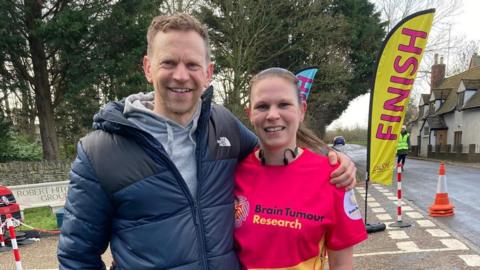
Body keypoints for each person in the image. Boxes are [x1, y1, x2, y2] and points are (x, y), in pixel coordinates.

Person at [57, 14, 357, 270]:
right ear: (148, 67)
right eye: (169, 63)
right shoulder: (99, 151)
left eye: (192, 64)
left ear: (208, 72)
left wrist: (331, 157)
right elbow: (76, 257)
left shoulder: (222, 124)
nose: (180, 75)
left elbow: (275, 143)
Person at [234, 68, 367, 270]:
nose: (272, 115)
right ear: (250, 114)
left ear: (301, 110)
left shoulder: (334, 176)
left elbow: (341, 265)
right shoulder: (231, 172)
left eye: (284, 104)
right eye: (262, 106)